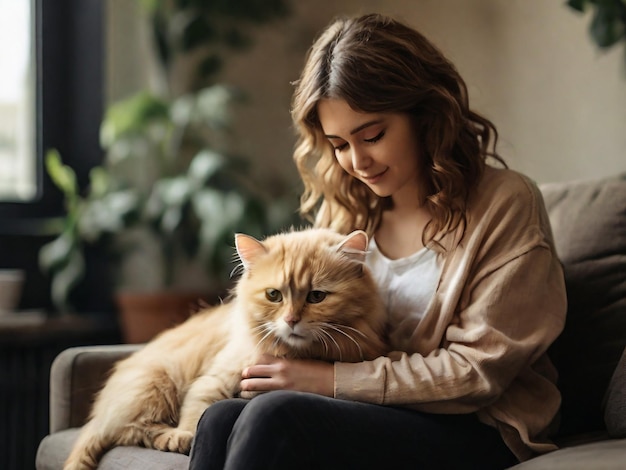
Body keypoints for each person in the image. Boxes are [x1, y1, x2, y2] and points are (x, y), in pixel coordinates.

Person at [188, 13, 566, 470]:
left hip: (479, 426)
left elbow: (478, 372)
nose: (357, 161)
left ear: (426, 113)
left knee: (277, 415)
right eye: (339, 145)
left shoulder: (506, 203)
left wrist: (328, 381)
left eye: (372, 135)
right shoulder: (349, 211)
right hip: (376, 411)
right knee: (219, 417)